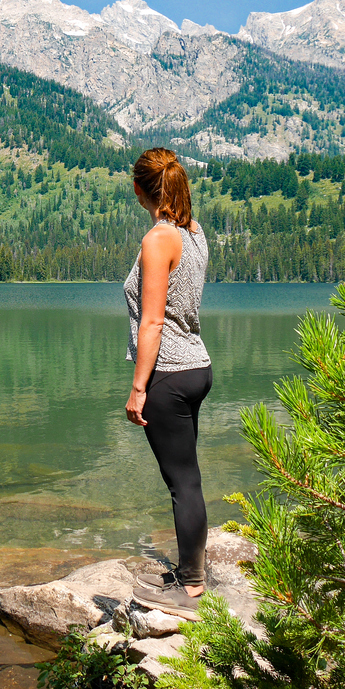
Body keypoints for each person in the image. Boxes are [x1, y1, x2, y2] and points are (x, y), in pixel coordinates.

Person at [123, 147, 212, 620]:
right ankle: (189, 572)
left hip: (170, 375)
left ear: (139, 189)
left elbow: (153, 322)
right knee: (187, 478)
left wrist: (139, 387)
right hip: (197, 367)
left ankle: (191, 587)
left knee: (181, 483)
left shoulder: (159, 239)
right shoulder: (193, 233)